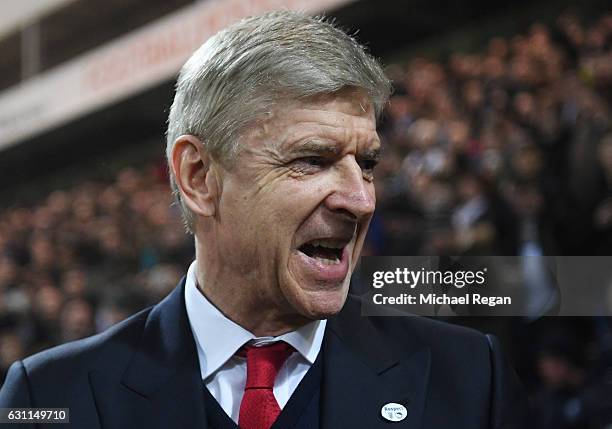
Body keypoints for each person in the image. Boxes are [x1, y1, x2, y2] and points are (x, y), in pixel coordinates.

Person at [0, 11, 527, 428]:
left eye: (366, 164)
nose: (360, 200)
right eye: (312, 160)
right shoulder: (49, 398)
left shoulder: (469, 378)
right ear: (200, 176)